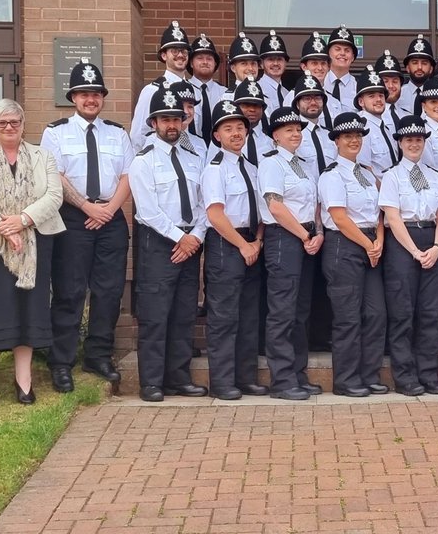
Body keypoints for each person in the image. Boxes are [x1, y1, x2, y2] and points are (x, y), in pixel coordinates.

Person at [0, 99, 63, 407]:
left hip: (36, 240)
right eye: (2, 123)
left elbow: (54, 195)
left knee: (27, 308)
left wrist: (23, 221)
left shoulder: (43, 156)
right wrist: (4, 227)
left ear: (23, 124)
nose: (8, 127)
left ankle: (24, 380)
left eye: (14, 122)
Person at [41, 60, 131, 393]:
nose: (90, 99)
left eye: (95, 94)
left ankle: (98, 355)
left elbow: (127, 175)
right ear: (73, 98)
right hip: (73, 217)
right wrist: (87, 206)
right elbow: (55, 175)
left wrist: (108, 209)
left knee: (108, 291)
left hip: (111, 216)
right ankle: (61, 361)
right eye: (83, 94)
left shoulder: (118, 133)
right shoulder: (55, 132)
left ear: (102, 97)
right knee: (69, 291)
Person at [128, 86, 209, 402]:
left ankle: (178, 378)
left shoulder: (194, 158)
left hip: (190, 242)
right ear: (153, 123)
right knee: (156, 314)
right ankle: (151, 382)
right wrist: (182, 239)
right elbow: (147, 212)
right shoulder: (143, 161)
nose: (172, 125)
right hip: (159, 243)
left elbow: (205, 203)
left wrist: (197, 237)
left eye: (177, 118)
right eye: (165, 119)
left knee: (184, 312)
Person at [201, 99, 268, 400]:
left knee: (249, 315)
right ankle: (222, 381)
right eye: (228, 129)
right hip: (227, 246)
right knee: (224, 317)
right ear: (217, 135)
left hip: (252, 243)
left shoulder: (253, 168)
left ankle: (246, 378)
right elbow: (215, 215)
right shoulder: (214, 169)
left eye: (240, 127)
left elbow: (263, 208)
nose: (236, 133)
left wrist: (258, 241)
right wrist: (243, 245)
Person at [379, 116, 438, 396]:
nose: (413, 144)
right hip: (403, 244)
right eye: (408, 139)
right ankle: (405, 376)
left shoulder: (435, 177)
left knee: (431, 313)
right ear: (399, 142)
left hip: (432, 241)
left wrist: (436, 248)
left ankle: (428, 374)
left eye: (418, 140)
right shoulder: (391, 176)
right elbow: (393, 218)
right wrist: (415, 251)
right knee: (403, 313)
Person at [319, 112, 388, 397]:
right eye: (347, 136)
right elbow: (339, 216)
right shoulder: (332, 175)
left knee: (376, 314)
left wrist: (379, 240)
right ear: (336, 141)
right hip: (345, 245)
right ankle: (346, 380)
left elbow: (380, 211)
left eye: (358, 136)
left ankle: (368, 374)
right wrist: (368, 244)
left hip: (371, 241)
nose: (353, 140)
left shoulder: (369, 173)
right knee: (348, 316)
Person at [260, 106, 324, 401]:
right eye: (288, 130)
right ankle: (282, 379)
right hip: (286, 237)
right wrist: (305, 235)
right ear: (275, 136)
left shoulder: (303, 164)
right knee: (282, 311)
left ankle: (298, 374)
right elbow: (275, 206)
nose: (295, 133)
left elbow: (314, 203)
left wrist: (318, 232)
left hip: (307, 236)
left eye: (298, 129)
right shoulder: (272, 163)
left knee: (301, 311)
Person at [131, 20, 189, 149]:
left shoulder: (193, 91)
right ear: (163, 55)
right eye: (174, 51)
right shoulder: (152, 90)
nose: (180, 55)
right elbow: (138, 135)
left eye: (184, 51)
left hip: (190, 160)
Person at [356, 65, 401, 174]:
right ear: (361, 102)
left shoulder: (384, 127)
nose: (378, 100)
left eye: (381, 95)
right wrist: (382, 189)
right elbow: (364, 168)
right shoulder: (361, 128)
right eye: (371, 96)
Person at [189, 33, 227, 147]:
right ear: (191, 63)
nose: (205, 62)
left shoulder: (225, 93)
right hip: (189, 152)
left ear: (215, 63)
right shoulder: (182, 90)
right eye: (200, 58)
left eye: (209, 59)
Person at [324, 25, 358, 120]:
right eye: (337, 49)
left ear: (352, 57)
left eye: (347, 50)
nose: (342, 53)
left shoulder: (358, 87)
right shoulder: (320, 83)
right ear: (328, 53)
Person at [399, 34, 436, 117]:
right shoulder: (398, 94)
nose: (419, 67)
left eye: (424, 63)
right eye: (415, 63)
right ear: (407, 68)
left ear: (431, 69)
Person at [258, 30, 290, 109]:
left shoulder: (288, 94)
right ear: (261, 64)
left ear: (285, 63)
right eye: (270, 59)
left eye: (279, 59)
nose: (275, 63)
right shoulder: (256, 90)